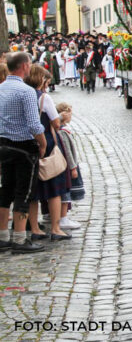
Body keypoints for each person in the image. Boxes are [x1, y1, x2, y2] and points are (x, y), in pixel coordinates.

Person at [0, 52, 47, 254]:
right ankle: (19, 239)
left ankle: (2, 236)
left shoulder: (0, 88)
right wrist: (43, 143)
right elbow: (34, 124)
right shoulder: (26, 91)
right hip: (24, 147)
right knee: (23, 192)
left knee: (5, 190)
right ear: (25, 66)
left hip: (3, 145)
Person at [25, 67, 71, 241]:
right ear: (42, 80)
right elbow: (56, 123)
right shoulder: (44, 98)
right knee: (54, 188)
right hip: (46, 143)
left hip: (28, 143)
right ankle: (55, 228)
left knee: (33, 190)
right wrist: (61, 117)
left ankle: (35, 228)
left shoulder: (25, 95)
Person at [55, 102, 84, 230]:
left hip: (66, 165)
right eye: (70, 113)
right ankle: (63, 218)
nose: (71, 116)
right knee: (66, 193)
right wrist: (73, 167)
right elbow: (67, 151)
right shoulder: (63, 132)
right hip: (67, 166)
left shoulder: (62, 130)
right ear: (65, 114)